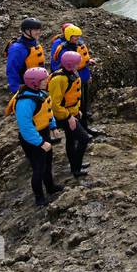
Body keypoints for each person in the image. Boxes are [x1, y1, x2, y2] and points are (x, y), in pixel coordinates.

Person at [9, 66, 63, 207]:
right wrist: (40, 143)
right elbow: (26, 127)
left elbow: (47, 111)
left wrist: (53, 126)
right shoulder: (25, 102)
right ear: (34, 82)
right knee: (38, 167)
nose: (47, 81)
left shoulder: (39, 93)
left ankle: (50, 187)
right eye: (43, 80)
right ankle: (39, 198)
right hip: (32, 139)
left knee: (48, 162)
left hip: (43, 132)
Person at [49, 24, 101, 137]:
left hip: (82, 76)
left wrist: (87, 69)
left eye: (78, 37)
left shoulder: (77, 42)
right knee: (77, 105)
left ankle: (84, 128)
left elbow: (82, 59)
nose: (78, 39)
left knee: (83, 104)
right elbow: (57, 64)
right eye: (75, 37)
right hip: (73, 79)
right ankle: (80, 131)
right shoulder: (60, 46)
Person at [48, 50, 91, 179]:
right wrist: (68, 117)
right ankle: (76, 167)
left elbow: (73, 96)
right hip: (63, 116)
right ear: (70, 65)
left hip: (71, 113)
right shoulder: (59, 79)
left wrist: (77, 110)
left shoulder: (72, 73)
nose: (80, 64)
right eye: (77, 63)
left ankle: (75, 166)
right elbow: (55, 105)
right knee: (84, 138)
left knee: (71, 140)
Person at [6, 17, 46, 93]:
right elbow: (12, 71)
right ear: (26, 31)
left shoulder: (35, 44)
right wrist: (16, 90)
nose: (38, 32)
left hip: (38, 84)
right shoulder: (17, 49)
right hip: (25, 87)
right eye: (35, 30)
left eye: (39, 29)